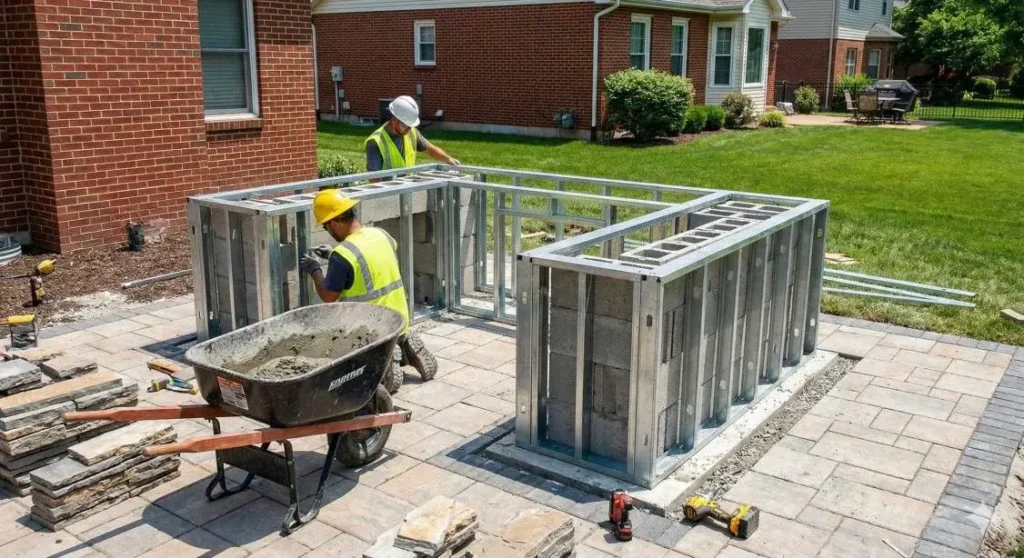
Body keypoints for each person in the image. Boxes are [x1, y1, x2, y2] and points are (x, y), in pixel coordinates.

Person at [299, 189, 437, 391]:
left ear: (334, 223)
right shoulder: (381, 234)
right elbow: (367, 262)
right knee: (396, 335)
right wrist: (334, 257)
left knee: (342, 354)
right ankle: (403, 344)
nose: (329, 232)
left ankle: (386, 361)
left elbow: (328, 296)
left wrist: (315, 270)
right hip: (399, 316)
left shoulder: (342, 255)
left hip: (370, 328)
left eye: (326, 227)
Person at [365, 95, 460, 171]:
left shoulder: (412, 132)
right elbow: (374, 177)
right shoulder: (376, 142)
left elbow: (430, 149)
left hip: (408, 186)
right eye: (406, 125)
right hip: (387, 188)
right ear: (394, 120)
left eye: (410, 125)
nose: (409, 128)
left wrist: (448, 159)